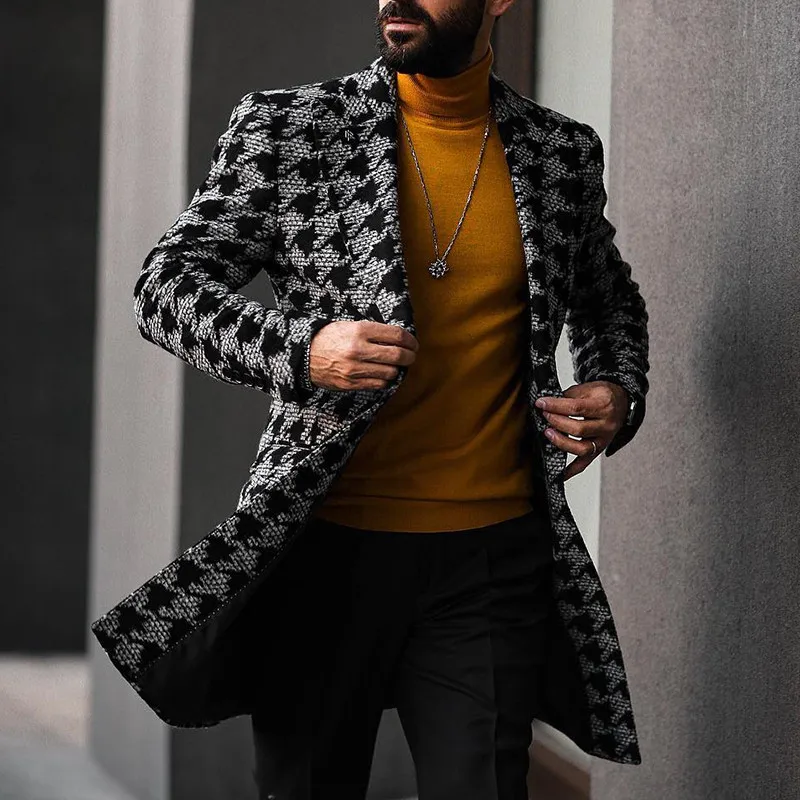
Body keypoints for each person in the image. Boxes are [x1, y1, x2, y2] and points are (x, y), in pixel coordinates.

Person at [91, 0, 649, 797]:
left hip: (492, 560)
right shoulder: (293, 129)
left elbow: (608, 301)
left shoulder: (559, 152)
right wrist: (303, 351)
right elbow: (165, 289)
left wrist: (615, 388)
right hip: (325, 552)